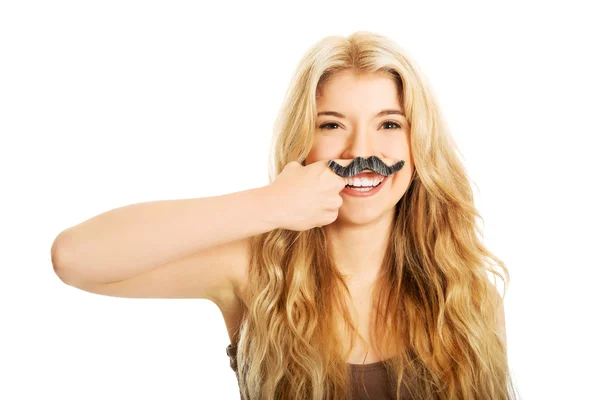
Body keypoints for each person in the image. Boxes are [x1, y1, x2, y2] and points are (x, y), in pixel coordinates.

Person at [51, 31, 517, 399]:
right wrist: (272, 203)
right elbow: (75, 257)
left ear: (419, 145)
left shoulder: (467, 295)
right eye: (332, 125)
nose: (361, 151)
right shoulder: (254, 273)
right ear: (304, 141)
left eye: (389, 124)